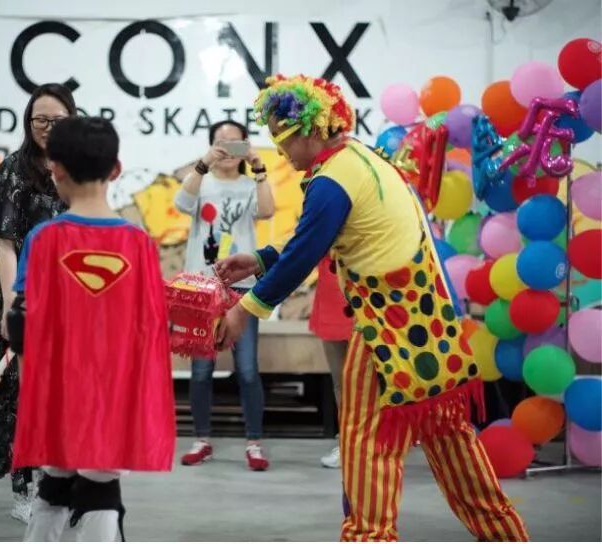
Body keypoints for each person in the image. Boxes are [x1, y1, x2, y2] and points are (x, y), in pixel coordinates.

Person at [216, 75, 528, 541]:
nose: (280, 151)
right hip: (432, 328)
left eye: (284, 137)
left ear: (312, 129)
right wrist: (261, 259)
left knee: (366, 443)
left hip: (388, 330)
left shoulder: (332, 180)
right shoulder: (359, 158)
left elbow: (305, 253)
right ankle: (506, 534)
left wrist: (244, 310)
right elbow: (319, 236)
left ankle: (368, 536)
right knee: (453, 443)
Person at [9, 117, 175, 542]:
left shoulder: (43, 239)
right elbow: (149, 330)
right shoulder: (139, 244)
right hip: (114, 392)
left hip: (57, 390)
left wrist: (30, 390)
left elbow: (21, 323)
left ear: (56, 168)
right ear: (116, 169)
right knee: (101, 485)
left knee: (55, 481)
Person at [0, 82, 76, 522]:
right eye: (40, 119)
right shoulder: (12, 171)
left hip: (70, 302)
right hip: (24, 295)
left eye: (57, 120)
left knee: (64, 395)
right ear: (28, 121)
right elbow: (4, 244)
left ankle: (61, 482)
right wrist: (14, 304)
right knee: (20, 394)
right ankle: (24, 489)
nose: (48, 127)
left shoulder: (78, 168)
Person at [174, 120, 275, 471]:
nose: (229, 149)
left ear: (245, 146)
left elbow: (267, 211)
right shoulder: (200, 182)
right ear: (211, 146)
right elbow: (181, 202)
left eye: (236, 143)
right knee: (201, 370)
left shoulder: (250, 184)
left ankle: (254, 442)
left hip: (241, 288)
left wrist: (259, 168)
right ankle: (201, 439)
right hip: (200, 288)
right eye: (222, 142)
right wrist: (203, 164)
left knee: (247, 369)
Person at [309, 255, 353, 468]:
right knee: (340, 382)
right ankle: (347, 445)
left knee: (369, 383)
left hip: (364, 297)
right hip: (330, 299)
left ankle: (375, 443)